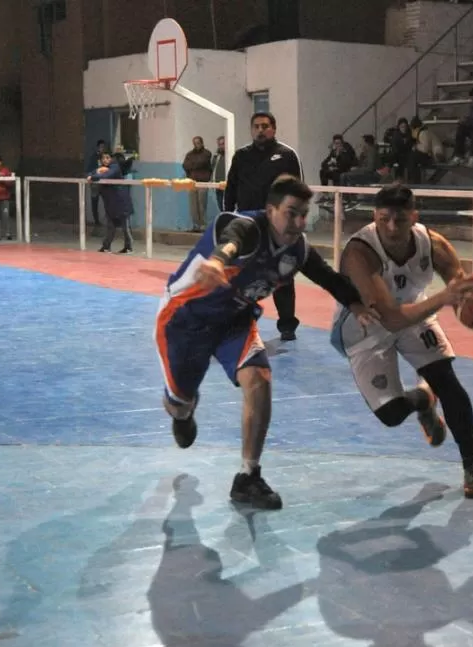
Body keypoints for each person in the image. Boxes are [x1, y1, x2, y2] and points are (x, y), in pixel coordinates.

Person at [155, 175, 376, 510]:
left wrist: (359, 307)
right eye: (292, 213)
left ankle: (248, 476)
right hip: (185, 320)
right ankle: (181, 412)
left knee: (259, 379)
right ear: (270, 209)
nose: (300, 222)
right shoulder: (246, 226)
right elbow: (232, 240)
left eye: (305, 213)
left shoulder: (297, 249)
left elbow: (328, 278)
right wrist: (217, 260)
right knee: (180, 401)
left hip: (235, 321)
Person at [330, 183, 473, 499]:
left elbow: (460, 288)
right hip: (367, 327)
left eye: (400, 220)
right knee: (391, 415)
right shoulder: (359, 253)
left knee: (447, 382)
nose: (392, 227)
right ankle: (422, 400)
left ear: (414, 217)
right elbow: (391, 318)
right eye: (383, 219)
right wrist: (444, 298)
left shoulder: (432, 244)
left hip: (415, 314)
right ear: (374, 217)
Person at [224, 112, 304, 342]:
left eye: (265, 126)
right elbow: (231, 188)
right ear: (251, 130)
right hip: (248, 224)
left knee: (283, 276)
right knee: (244, 276)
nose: (260, 130)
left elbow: (298, 190)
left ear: (274, 129)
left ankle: (287, 325)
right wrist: (228, 218)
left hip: (280, 227)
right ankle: (242, 324)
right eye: (256, 126)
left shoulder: (287, 155)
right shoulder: (241, 156)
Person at [87, 151, 134, 254]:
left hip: (121, 202)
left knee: (125, 226)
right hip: (110, 203)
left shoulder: (115, 167)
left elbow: (106, 175)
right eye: (103, 158)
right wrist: (96, 172)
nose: (105, 160)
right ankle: (106, 246)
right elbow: (90, 173)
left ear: (111, 159)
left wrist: (94, 176)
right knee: (110, 226)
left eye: (107, 158)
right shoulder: (101, 168)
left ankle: (128, 247)